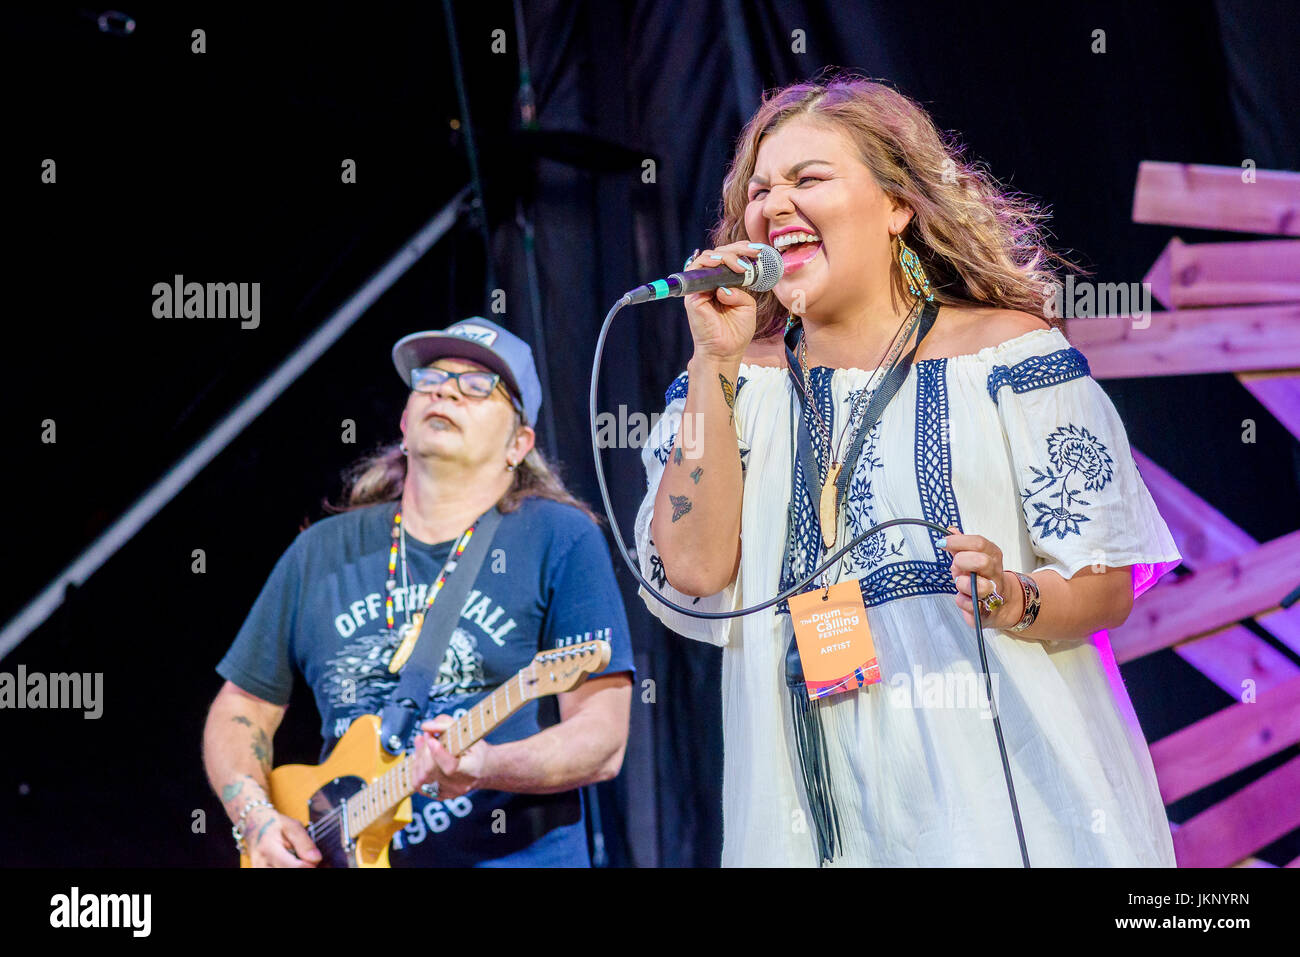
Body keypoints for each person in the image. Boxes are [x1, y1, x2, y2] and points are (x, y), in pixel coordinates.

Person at [635, 75, 1182, 867]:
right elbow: (690, 566)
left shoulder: (1011, 357)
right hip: (808, 814)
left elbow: (1107, 581)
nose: (771, 206)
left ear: (898, 207)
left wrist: (1016, 595)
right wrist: (713, 360)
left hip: (1011, 813)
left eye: (808, 179)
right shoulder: (732, 382)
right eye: (757, 191)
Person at [203, 316, 634, 867]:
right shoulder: (322, 551)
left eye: (478, 385)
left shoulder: (560, 536)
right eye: (430, 380)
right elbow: (240, 708)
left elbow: (602, 739)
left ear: (518, 443)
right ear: (405, 422)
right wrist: (255, 818)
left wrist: (486, 766)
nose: (446, 390)